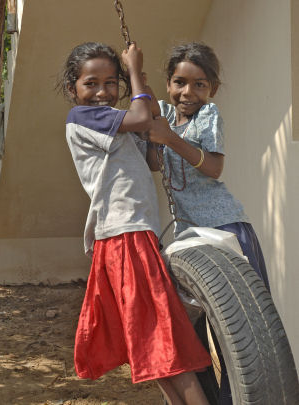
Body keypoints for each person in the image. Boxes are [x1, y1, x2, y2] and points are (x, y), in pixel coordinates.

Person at [58, 40, 212, 405]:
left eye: (111, 82)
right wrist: (132, 72)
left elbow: (152, 158)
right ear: (72, 89)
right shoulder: (83, 117)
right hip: (125, 235)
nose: (102, 91)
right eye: (91, 82)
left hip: (128, 235)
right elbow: (141, 117)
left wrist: (150, 103)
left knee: (150, 334)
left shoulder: (117, 127)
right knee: (164, 334)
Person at [146, 41, 271, 404]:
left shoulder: (208, 116)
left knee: (242, 331)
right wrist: (154, 125)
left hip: (226, 229)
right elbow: (156, 163)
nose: (188, 92)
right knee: (194, 328)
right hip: (190, 239)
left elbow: (214, 167)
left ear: (211, 89)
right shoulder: (165, 116)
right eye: (180, 82)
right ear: (168, 84)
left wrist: (171, 139)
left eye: (199, 84)